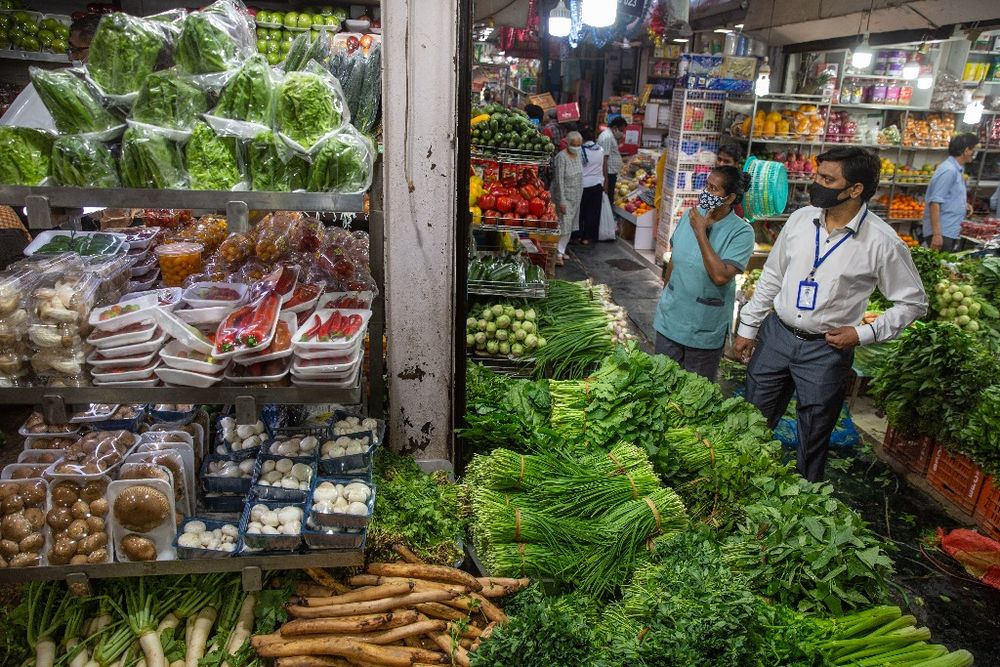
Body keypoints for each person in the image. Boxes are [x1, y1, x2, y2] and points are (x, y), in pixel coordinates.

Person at [733, 146, 927, 482]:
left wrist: (863, 334)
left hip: (827, 350)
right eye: (817, 175)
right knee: (751, 419)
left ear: (855, 190)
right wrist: (748, 326)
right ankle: (738, 482)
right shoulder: (799, 220)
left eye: (827, 179)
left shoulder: (882, 242)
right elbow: (772, 276)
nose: (815, 184)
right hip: (777, 336)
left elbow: (913, 303)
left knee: (813, 436)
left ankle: (804, 499)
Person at [653, 166, 755, 380]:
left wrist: (701, 232)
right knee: (660, 383)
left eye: (714, 189)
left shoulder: (741, 232)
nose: (706, 192)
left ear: (730, 198)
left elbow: (720, 275)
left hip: (703, 326)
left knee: (693, 393)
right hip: (671, 318)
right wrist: (666, 291)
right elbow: (675, 256)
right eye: (707, 186)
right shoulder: (691, 215)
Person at [923, 133, 978, 251]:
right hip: (943, 232)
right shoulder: (948, 170)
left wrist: (964, 205)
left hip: (949, 231)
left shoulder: (957, 169)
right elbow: (934, 203)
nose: (973, 154)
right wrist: (937, 235)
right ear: (966, 150)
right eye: (973, 149)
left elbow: (947, 197)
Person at [551, 131, 583, 266]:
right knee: (564, 224)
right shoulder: (561, 157)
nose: (576, 147)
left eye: (578, 144)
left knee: (569, 226)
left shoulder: (579, 155)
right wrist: (562, 201)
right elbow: (559, 181)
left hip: (575, 196)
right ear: (568, 144)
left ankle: (561, 250)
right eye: (573, 144)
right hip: (563, 196)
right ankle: (558, 253)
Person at [574, 127, 605, 245]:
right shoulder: (600, 150)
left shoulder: (580, 151)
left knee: (580, 212)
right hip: (597, 184)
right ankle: (588, 237)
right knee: (593, 213)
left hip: (583, 184)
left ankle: (577, 236)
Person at [598, 117, 627, 198]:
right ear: (615, 128)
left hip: (611, 173)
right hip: (608, 174)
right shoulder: (607, 137)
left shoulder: (611, 136)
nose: (622, 133)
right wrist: (606, 181)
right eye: (621, 130)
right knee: (608, 198)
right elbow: (604, 158)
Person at [716, 142, 745, 218]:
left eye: (726, 161)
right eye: (719, 159)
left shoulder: (736, 182)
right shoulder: (716, 177)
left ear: (736, 164)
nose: (721, 164)